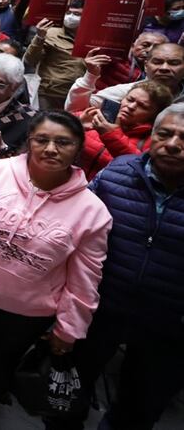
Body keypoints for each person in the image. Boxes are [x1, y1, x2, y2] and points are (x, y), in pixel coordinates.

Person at [0, 111, 112, 430]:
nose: (51, 149)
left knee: (2, 360)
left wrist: (70, 328)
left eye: (63, 142)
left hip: (29, 307)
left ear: (78, 148)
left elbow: (86, 277)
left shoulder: (93, 212)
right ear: (28, 141)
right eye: (42, 140)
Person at [48, 104, 184, 430]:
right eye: (164, 134)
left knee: (139, 407)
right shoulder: (119, 172)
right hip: (101, 307)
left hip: (168, 322)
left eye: (183, 138)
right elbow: (75, 221)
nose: (173, 144)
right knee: (68, 392)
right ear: (151, 135)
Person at [76, 80, 172, 179]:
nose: (131, 107)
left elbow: (143, 168)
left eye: (142, 106)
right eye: (130, 100)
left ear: (155, 115)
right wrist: (77, 124)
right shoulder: (97, 116)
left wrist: (111, 135)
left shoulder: (152, 140)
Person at [66, 41, 184, 111]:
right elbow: (76, 110)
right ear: (146, 66)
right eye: (157, 62)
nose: (164, 68)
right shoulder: (125, 91)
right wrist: (90, 76)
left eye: (174, 63)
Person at [23, 1, 86, 110]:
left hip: (78, 93)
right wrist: (40, 37)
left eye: (76, 14)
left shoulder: (91, 37)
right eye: (68, 13)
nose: (71, 17)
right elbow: (30, 60)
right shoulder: (50, 33)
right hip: (50, 92)